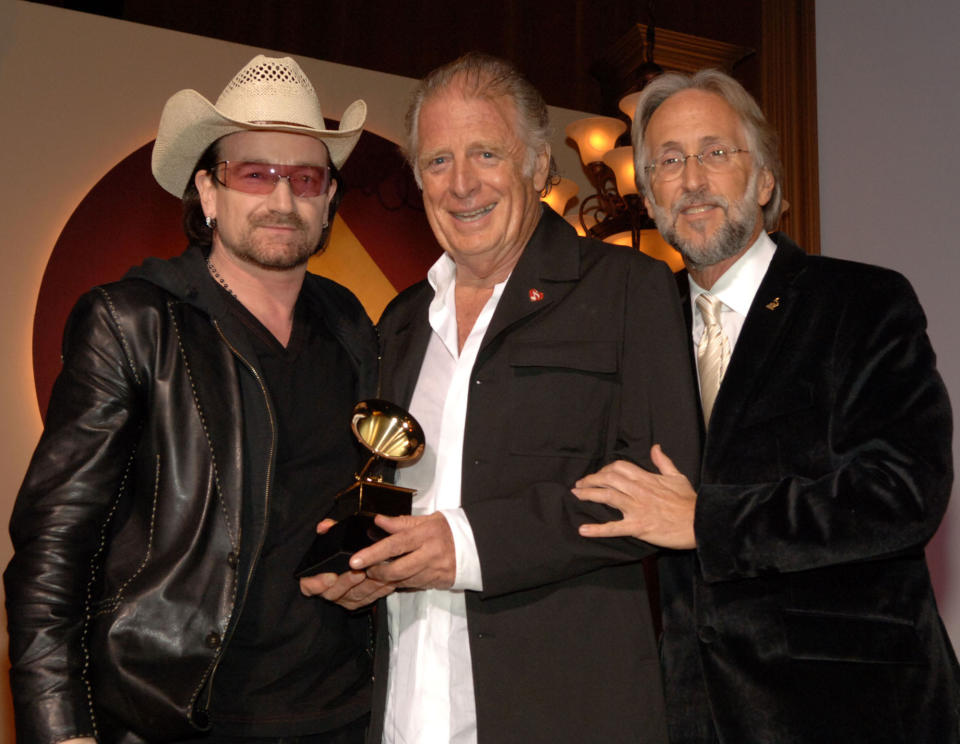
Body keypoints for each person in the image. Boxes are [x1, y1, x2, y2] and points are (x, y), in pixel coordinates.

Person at [300, 52, 700, 744]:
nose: (461, 186)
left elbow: (666, 490)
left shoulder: (628, 290)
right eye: (437, 162)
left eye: (486, 153)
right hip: (404, 712)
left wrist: (468, 545)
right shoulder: (399, 322)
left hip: (562, 712)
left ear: (539, 167)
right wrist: (361, 566)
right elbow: (394, 493)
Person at [573, 68, 960, 743]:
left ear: (766, 181)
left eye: (716, 152)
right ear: (653, 196)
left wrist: (709, 522)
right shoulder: (634, 326)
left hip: (855, 712)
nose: (692, 177)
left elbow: (903, 493)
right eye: (668, 159)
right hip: (690, 715)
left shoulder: (861, 303)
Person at [5, 55, 378, 744]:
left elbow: (361, 494)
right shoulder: (134, 322)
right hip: (177, 719)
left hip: (348, 716)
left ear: (328, 200)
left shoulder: (352, 326)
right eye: (254, 173)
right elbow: (53, 548)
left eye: (305, 177)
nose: (283, 198)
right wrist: (59, 729)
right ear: (207, 192)